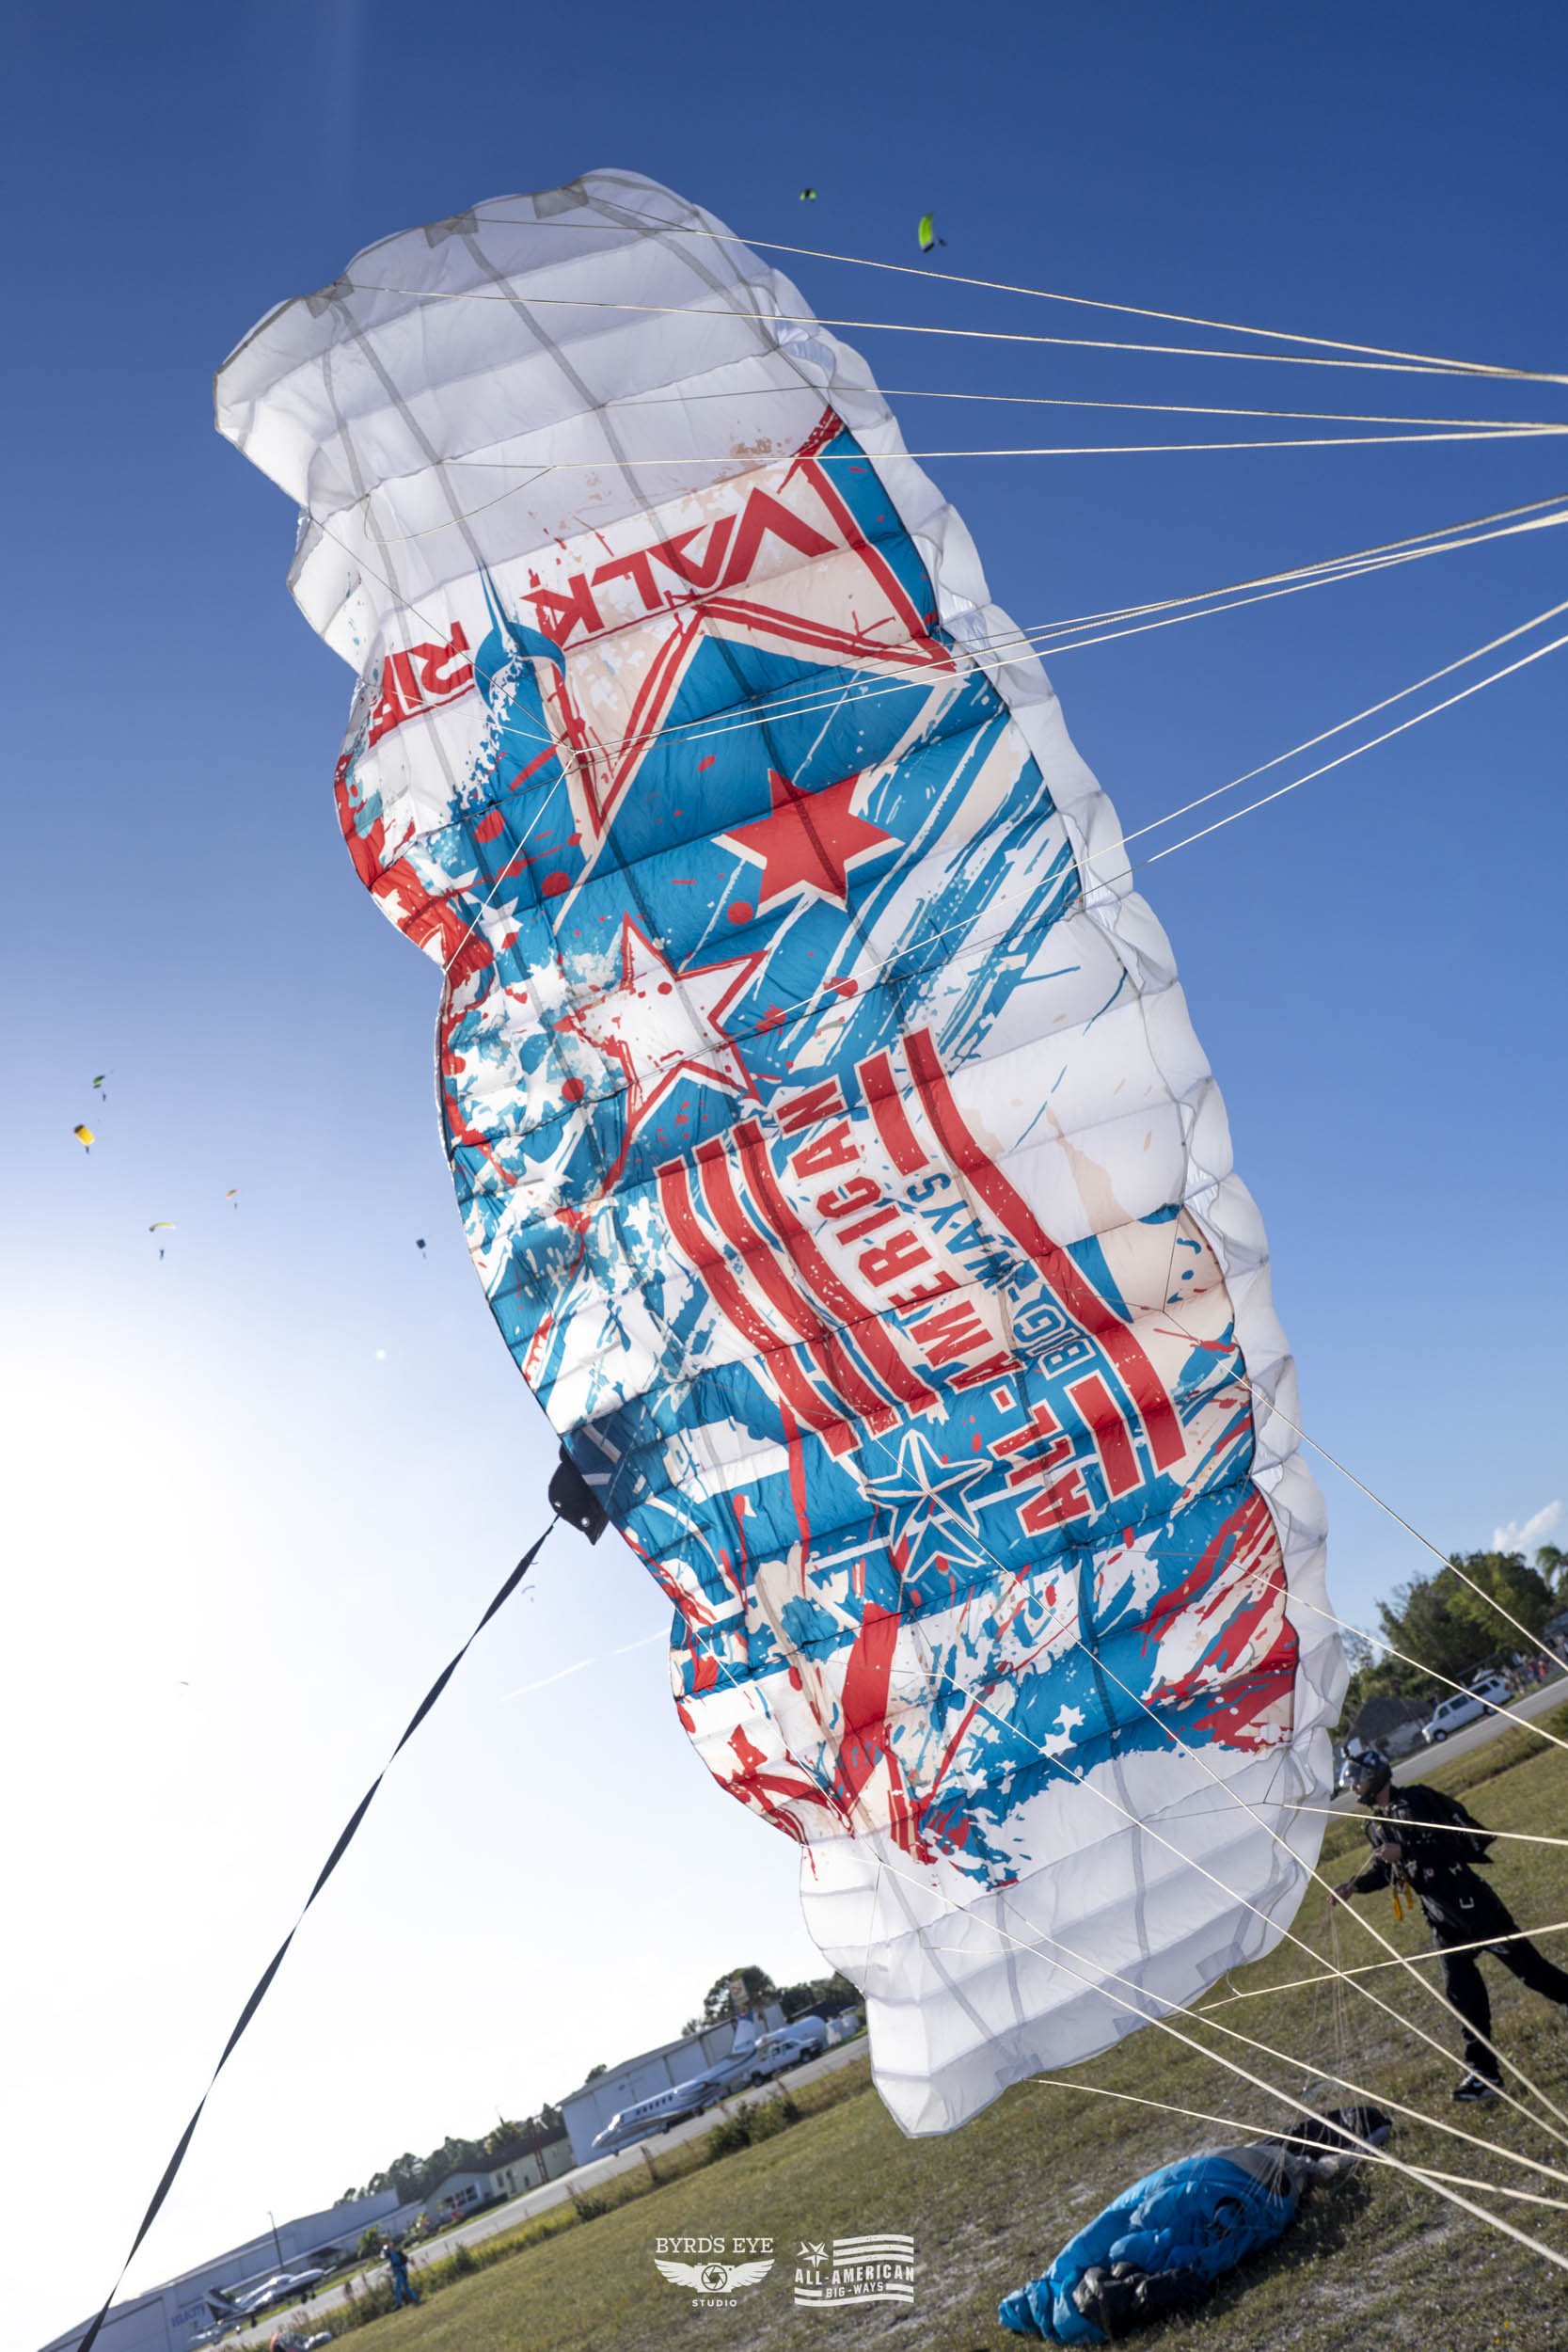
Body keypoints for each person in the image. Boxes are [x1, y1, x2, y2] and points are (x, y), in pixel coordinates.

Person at [1332, 1745, 1568, 2102]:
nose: (1353, 1788)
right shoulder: (1377, 1825)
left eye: (1357, 1779)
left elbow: (1460, 1842)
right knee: (1463, 1995)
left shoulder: (1419, 1801)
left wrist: (1408, 1851)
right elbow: (1386, 1869)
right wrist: (1354, 1886)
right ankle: (1484, 2075)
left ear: (1377, 1775)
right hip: (1443, 1919)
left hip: (1475, 1908)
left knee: (1532, 1972)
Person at [383, 2238, 420, 2308]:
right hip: (399, 2270)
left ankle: (399, 2304)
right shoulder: (392, 2253)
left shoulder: (394, 2252)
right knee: (405, 2287)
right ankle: (414, 2299)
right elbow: (392, 2261)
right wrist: (390, 2267)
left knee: (397, 2287)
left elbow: (401, 2259)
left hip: (400, 2270)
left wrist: (410, 2262)